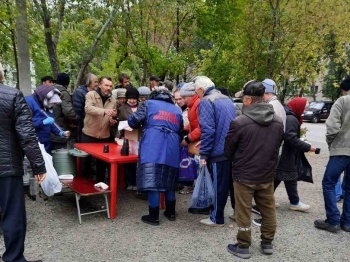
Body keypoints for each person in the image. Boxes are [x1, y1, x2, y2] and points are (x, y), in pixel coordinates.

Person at [224, 80, 283, 259]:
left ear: (248, 100)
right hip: (266, 174)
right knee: (268, 209)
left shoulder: (239, 122)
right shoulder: (278, 121)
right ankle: (267, 242)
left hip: (244, 175)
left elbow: (228, 150)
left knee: (244, 211)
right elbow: (277, 145)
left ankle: (243, 246)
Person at [0, 62, 46, 262]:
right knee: (12, 215)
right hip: (7, 166)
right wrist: (38, 165)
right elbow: (26, 134)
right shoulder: (12, 95)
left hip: (7, 164)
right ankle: (14, 259)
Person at [128, 88, 183, 226]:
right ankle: (171, 212)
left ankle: (154, 216)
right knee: (169, 178)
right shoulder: (176, 110)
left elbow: (133, 122)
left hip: (153, 144)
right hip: (172, 146)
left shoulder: (149, 104)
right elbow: (181, 130)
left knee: (153, 179)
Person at [194, 76, 236, 226]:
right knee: (231, 183)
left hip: (218, 151)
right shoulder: (226, 98)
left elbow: (208, 130)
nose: (195, 94)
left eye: (195, 91)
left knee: (219, 186)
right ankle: (237, 213)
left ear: (201, 89)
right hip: (230, 148)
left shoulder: (206, 101)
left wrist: (204, 153)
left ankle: (217, 217)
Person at [314, 76, 350, 233]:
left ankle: (333, 220)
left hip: (341, 150)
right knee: (349, 188)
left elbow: (332, 127)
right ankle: (347, 222)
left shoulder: (342, 101)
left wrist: (332, 145)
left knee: (328, 183)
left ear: (344, 89)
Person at [252, 78, 286, 225]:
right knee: (266, 185)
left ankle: (264, 217)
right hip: (273, 150)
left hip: (269, 152)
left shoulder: (272, 106)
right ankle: (263, 211)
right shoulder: (277, 104)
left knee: (266, 187)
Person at [275, 97, 317, 212]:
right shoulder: (291, 118)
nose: (304, 111)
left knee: (278, 177)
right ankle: (294, 202)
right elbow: (290, 138)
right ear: (298, 106)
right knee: (289, 176)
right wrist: (308, 147)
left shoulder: (288, 114)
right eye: (304, 108)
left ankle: (266, 200)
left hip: (283, 152)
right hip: (286, 153)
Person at [82, 76, 117, 182]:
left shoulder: (113, 99)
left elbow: (113, 114)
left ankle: (101, 186)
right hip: (89, 134)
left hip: (104, 136)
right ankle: (84, 187)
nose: (108, 88)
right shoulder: (90, 95)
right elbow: (88, 109)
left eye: (110, 86)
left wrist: (112, 120)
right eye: (106, 85)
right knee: (86, 162)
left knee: (102, 163)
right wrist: (104, 111)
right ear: (100, 85)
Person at [25, 85, 69, 153]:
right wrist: (42, 122)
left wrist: (60, 132)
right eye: (53, 103)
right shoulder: (28, 102)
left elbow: (51, 123)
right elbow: (25, 123)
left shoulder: (47, 105)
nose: (53, 105)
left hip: (45, 143)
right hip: (33, 144)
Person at [117, 87, 140, 190]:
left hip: (140, 137)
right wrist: (118, 136)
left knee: (139, 161)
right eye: (130, 98)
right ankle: (130, 182)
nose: (132, 100)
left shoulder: (143, 107)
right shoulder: (122, 109)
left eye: (134, 98)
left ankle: (139, 183)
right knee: (129, 161)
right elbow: (118, 123)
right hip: (128, 138)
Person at [51, 73, 79, 148]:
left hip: (48, 128)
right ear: (66, 84)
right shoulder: (63, 93)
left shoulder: (49, 90)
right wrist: (76, 119)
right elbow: (68, 111)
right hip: (60, 128)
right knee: (61, 154)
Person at [72, 73, 99, 142]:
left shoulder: (97, 93)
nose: (97, 84)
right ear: (88, 82)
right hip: (82, 125)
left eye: (98, 82)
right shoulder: (79, 93)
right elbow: (77, 110)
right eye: (95, 82)